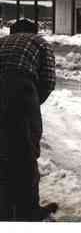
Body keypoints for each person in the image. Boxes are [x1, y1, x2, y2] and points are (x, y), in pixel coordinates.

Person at [0, 18, 57, 221]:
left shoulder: (2, 42)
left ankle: (5, 210)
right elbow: (49, 80)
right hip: (20, 88)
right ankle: (28, 211)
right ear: (35, 31)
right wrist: (30, 107)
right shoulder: (39, 42)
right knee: (25, 152)